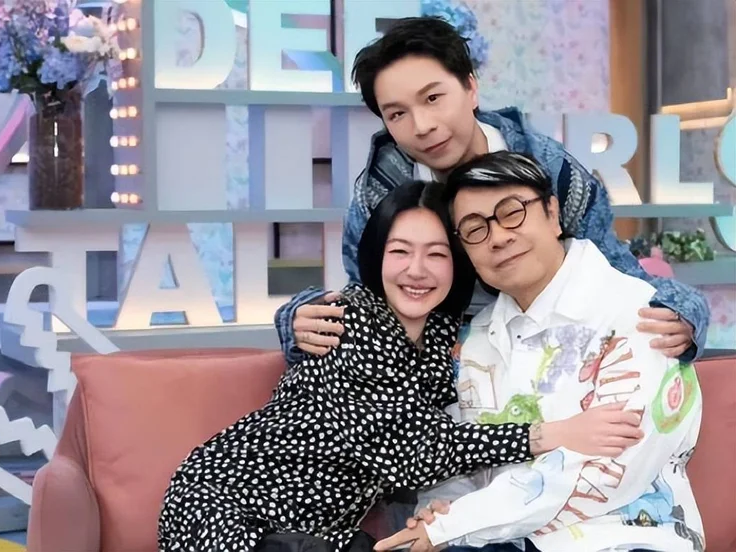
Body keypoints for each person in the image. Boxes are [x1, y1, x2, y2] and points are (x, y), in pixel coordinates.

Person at [157, 181, 644, 552]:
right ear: (376, 257)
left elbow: (441, 438)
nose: (417, 270)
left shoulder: (443, 333)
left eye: (437, 254)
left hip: (316, 530)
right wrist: (553, 433)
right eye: (400, 252)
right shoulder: (349, 320)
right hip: (226, 509)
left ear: (457, 263)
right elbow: (413, 453)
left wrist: (443, 509)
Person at [277, 16, 708, 365]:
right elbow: (367, 295)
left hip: (550, 355)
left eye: (433, 98)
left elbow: (617, 274)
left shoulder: (551, 170)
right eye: (397, 114)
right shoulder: (381, 191)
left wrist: (685, 315)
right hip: (436, 371)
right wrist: (299, 320)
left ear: (470, 87)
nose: (422, 126)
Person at [374, 152, 703, 552]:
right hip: (500, 541)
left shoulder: (642, 315)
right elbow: (465, 459)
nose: (498, 237)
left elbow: (604, 472)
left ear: (552, 213)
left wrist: (457, 524)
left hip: (625, 536)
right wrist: (438, 513)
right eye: (475, 229)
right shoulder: (475, 340)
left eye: (512, 212)